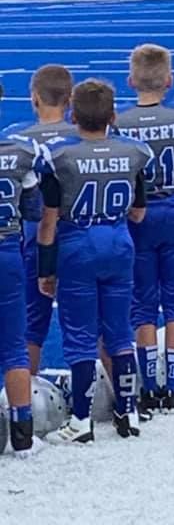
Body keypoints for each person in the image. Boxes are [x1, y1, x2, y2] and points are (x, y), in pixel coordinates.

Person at [36, 80, 154, 443]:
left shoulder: (58, 155)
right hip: (119, 242)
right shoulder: (133, 150)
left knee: (81, 335)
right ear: (113, 115)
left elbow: (48, 222)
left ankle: (82, 420)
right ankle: (128, 410)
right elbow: (138, 212)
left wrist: (45, 268)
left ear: (73, 113)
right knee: (119, 331)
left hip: (77, 243)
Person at [115, 44, 174, 413]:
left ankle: (148, 386)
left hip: (139, 216)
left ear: (131, 80)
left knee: (143, 300)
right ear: (169, 80)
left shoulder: (119, 123)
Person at [3, 64, 75, 374]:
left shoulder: (14, 138)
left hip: (32, 236)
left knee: (31, 327)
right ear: (70, 99)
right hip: (79, 233)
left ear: (34, 98)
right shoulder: (85, 135)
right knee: (94, 323)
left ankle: (27, 399)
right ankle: (110, 398)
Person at [0, 128, 42, 457]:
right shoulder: (21, 154)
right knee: (14, 347)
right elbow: (33, 211)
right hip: (7, 252)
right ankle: (23, 438)